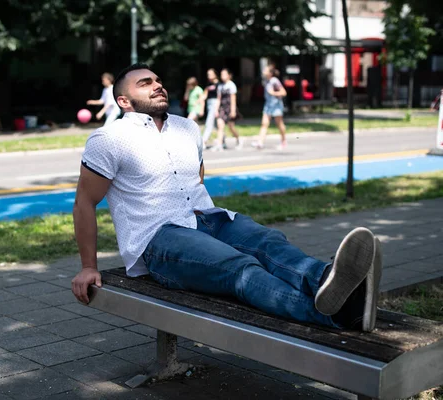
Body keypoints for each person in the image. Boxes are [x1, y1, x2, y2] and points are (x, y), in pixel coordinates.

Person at [72, 63, 383, 333]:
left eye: (158, 81)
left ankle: (331, 280)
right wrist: (89, 267)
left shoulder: (186, 128)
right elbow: (85, 202)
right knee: (239, 267)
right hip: (159, 239)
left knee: (269, 242)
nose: (158, 86)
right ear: (124, 100)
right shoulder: (108, 139)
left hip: (209, 218)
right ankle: (336, 314)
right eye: (146, 83)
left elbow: (196, 179)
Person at [252, 66, 287, 150]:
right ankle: (260, 142)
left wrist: (273, 93)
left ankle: (283, 140)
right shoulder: (266, 81)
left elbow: (283, 92)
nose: (263, 71)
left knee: (279, 124)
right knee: (264, 124)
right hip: (268, 105)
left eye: (265, 70)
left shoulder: (274, 81)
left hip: (276, 105)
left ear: (270, 73)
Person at [211, 68, 242, 151]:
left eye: (224, 74)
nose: (222, 76)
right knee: (220, 126)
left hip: (229, 108)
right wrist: (216, 110)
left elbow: (233, 99)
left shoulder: (231, 85)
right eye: (221, 74)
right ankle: (219, 144)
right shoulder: (220, 86)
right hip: (222, 108)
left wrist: (233, 111)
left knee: (231, 127)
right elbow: (218, 98)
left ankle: (238, 139)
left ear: (229, 76)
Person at [200, 69, 220, 148]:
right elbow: (205, 94)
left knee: (209, 123)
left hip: (215, 103)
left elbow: (219, 96)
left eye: (210, 74)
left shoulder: (219, 84)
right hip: (209, 103)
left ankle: (203, 141)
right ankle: (222, 140)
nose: (209, 76)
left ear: (215, 74)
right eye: (208, 74)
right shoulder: (209, 84)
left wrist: (217, 108)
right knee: (216, 124)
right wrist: (199, 101)